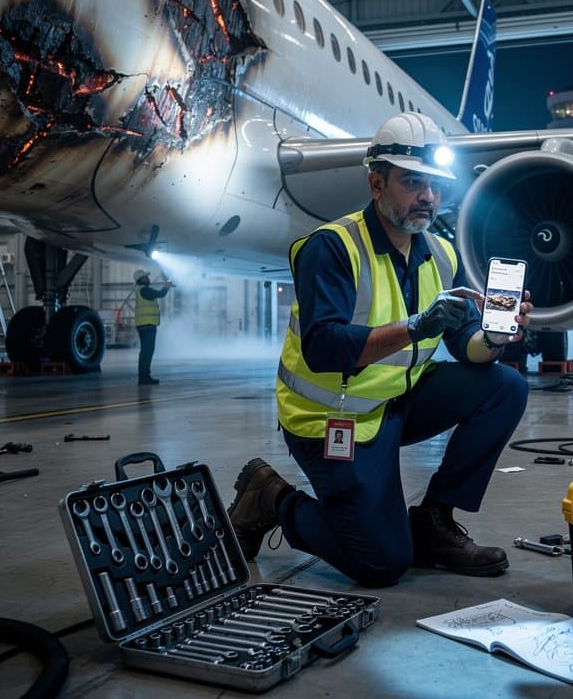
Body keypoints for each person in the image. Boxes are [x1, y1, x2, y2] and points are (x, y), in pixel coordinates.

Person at [228, 112, 531, 588]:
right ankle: (271, 498)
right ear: (376, 183)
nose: (428, 197)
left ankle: (434, 520)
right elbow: (324, 349)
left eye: (434, 186)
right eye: (413, 183)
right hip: (331, 418)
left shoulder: (440, 253)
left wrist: (494, 338)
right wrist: (417, 326)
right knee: (381, 564)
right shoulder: (330, 248)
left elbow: (465, 345)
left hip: (396, 404)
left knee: (505, 385)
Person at [133, 269, 172, 385]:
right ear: (142, 279)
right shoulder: (144, 290)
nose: (148, 278)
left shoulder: (141, 290)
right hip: (147, 325)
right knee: (147, 352)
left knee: (146, 351)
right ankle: (144, 377)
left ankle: (144, 376)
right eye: (146, 277)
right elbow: (161, 294)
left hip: (144, 325)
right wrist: (167, 286)